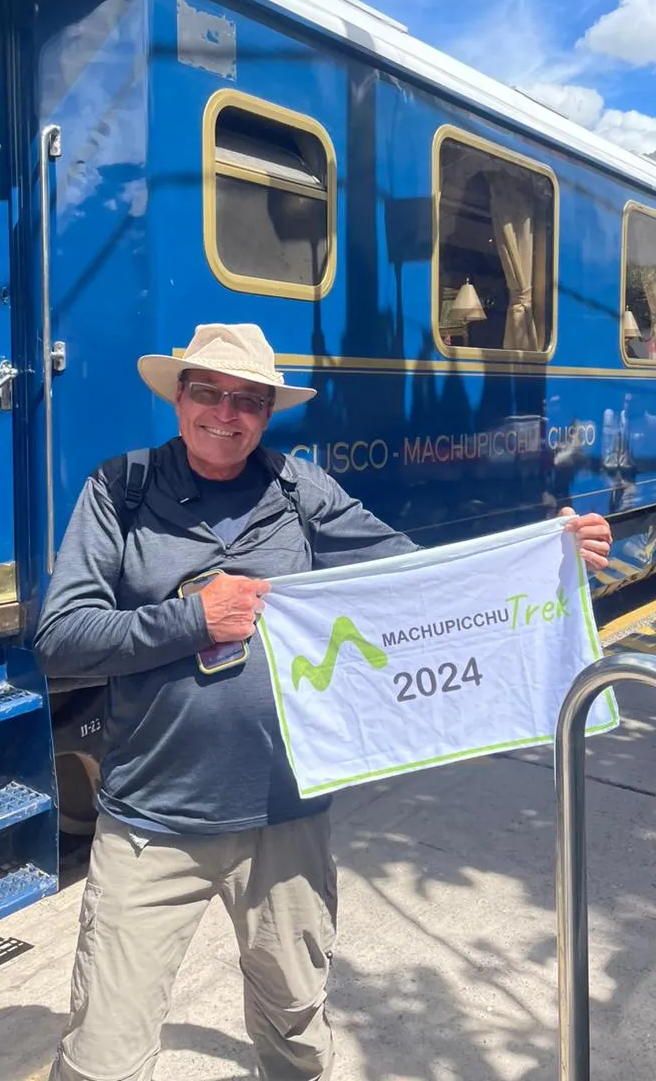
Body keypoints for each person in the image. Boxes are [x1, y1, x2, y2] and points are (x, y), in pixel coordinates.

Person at [36, 322, 613, 1081]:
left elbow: (416, 579)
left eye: (248, 399)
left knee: (297, 1031)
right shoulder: (120, 491)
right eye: (208, 391)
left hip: (286, 816)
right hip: (152, 822)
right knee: (101, 1057)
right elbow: (61, 639)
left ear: (267, 412)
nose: (225, 412)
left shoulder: (297, 490)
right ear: (179, 397)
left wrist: (543, 556)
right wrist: (193, 620)